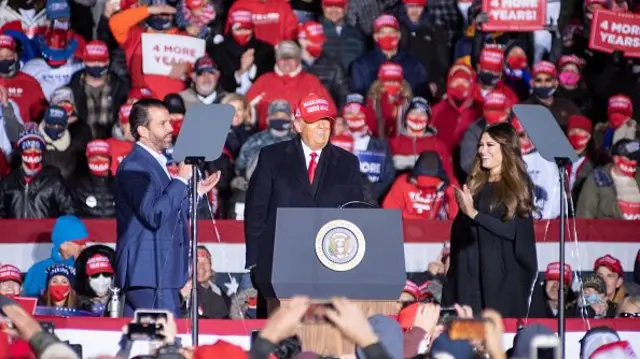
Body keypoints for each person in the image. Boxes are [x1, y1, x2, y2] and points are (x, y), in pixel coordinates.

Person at [245, 93, 365, 318]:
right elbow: (256, 211)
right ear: (298, 124)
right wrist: (255, 261)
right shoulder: (271, 157)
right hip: (279, 265)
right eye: (315, 121)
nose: (322, 127)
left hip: (331, 266)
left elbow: (357, 214)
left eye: (326, 121)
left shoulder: (348, 163)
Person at [113, 98, 220, 316]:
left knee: (147, 343)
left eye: (170, 122)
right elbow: (153, 214)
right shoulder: (135, 165)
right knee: (163, 341)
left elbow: (170, 212)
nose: (171, 128)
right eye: (162, 124)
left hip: (161, 274)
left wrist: (196, 192)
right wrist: (181, 179)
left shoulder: (154, 162)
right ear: (143, 130)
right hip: (149, 273)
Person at [444, 123, 538, 317]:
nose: (482, 151)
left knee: (497, 335)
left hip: (501, 278)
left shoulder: (518, 185)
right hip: (469, 274)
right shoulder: (475, 182)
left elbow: (511, 230)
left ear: (506, 147)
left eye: (489, 145)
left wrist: (474, 214)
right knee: (469, 334)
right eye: (480, 145)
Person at [22, 214, 88, 297]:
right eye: (80, 243)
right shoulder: (38, 271)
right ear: (63, 244)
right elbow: (28, 304)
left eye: (85, 242)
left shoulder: (89, 268)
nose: (84, 247)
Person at [75, 245, 116, 316]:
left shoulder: (122, 304)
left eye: (106, 274)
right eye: (95, 275)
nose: (101, 280)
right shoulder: (74, 303)